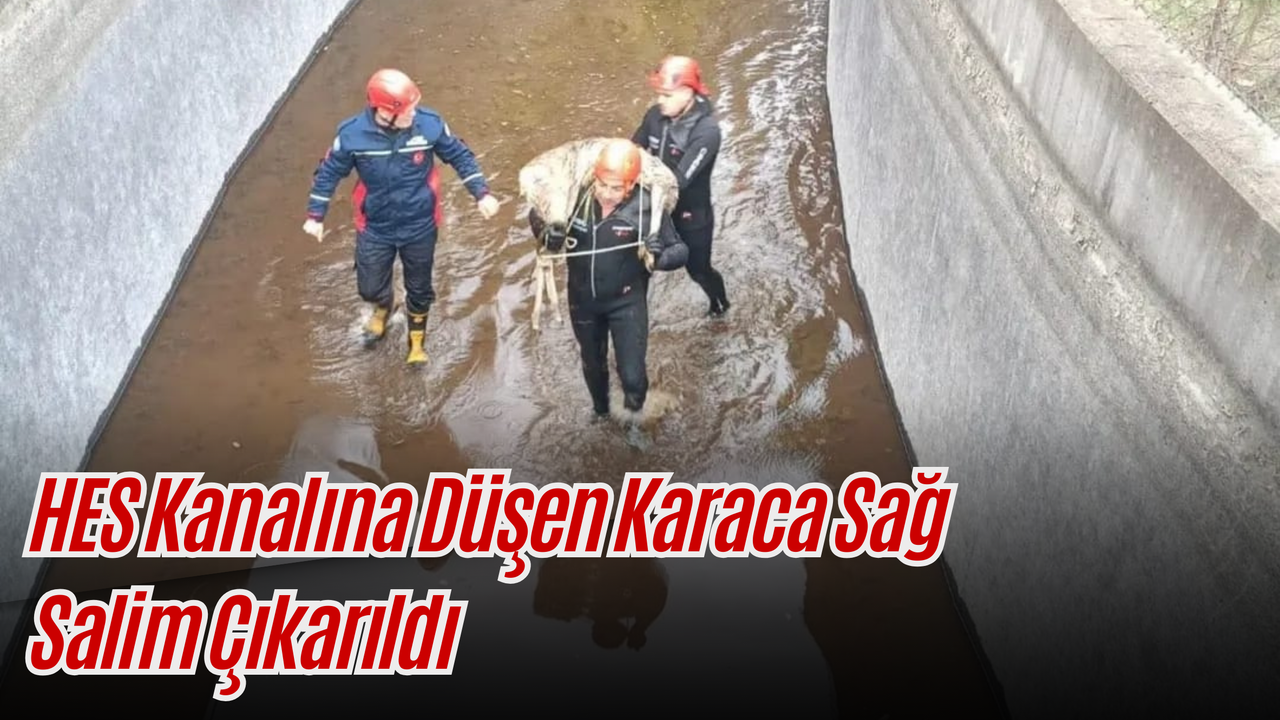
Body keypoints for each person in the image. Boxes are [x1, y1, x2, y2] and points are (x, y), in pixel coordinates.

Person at [303, 68, 500, 365]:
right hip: (375, 226)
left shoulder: (429, 125)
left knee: (419, 288)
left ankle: (416, 343)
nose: (413, 114)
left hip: (420, 224)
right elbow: (329, 172)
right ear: (385, 111)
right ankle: (384, 307)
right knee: (369, 287)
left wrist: (481, 193)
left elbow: (459, 155)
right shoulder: (352, 135)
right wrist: (315, 215)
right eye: (407, 110)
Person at [527, 139, 688, 419]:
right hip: (582, 301)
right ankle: (600, 414)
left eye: (616, 188)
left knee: (633, 378)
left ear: (631, 185)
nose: (607, 194)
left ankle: (635, 422)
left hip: (626, 303)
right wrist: (547, 234)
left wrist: (659, 256)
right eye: (602, 185)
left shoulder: (646, 206)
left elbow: (680, 250)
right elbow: (536, 215)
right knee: (593, 365)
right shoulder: (573, 198)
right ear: (594, 178)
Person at [632, 55, 730, 317]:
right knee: (638, 267)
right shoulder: (655, 116)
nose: (660, 100)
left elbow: (678, 182)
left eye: (667, 95)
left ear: (687, 93)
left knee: (699, 271)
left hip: (691, 215)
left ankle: (720, 308)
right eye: (659, 94)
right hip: (654, 208)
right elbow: (633, 151)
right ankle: (634, 321)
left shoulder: (707, 132)